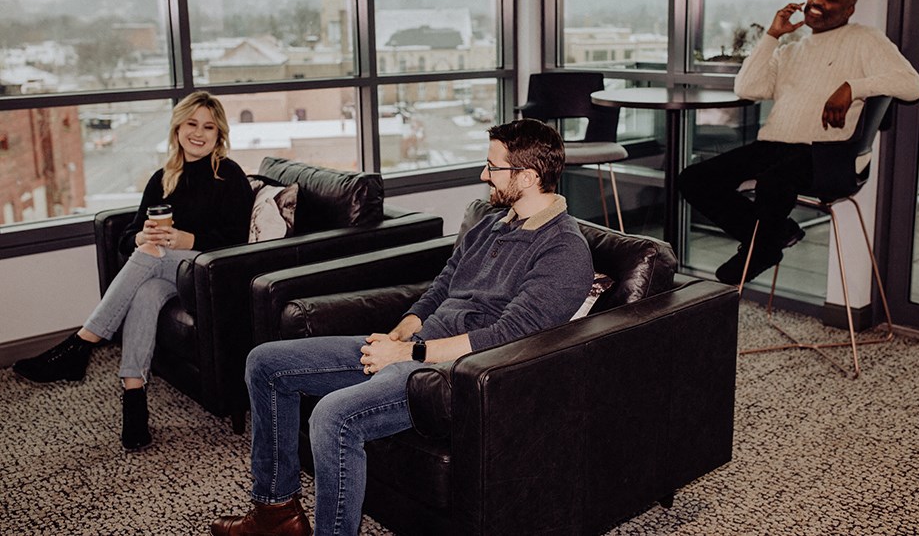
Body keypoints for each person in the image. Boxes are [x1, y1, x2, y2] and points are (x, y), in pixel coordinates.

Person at [210, 118, 595, 536]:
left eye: (492, 167)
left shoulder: (563, 250)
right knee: (265, 363)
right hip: (417, 347)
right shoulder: (491, 223)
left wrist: (409, 353)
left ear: (528, 175)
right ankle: (276, 514)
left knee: (332, 416)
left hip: (451, 376)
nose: (483, 175)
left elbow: (509, 338)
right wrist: (403, 329)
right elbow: (444, 284)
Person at [13, 91, 253, 451]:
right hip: (165, 270)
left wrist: (190, 239)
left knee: (153, 253)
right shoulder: (163, 178)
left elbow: (239, 244)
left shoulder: (229, 176)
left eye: (209, 126)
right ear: (178, 127)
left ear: (219, 134)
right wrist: (140, 234)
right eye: (192, 124)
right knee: (147, 289)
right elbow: (128, 238)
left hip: (207, 272)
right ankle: (134, 400)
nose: (199, 133)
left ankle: (81, 344)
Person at [678, 0, 919, 285]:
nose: (818, 1)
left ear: (849, 10)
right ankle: (775, 237)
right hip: (774, 145)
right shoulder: (791, 50)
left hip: (829, 152)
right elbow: (748, 87)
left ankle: (762, 248)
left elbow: (912, 85)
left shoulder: (864, 39)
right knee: (694, 179)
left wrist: (853, 87)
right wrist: (772, 36)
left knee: (774, 181)